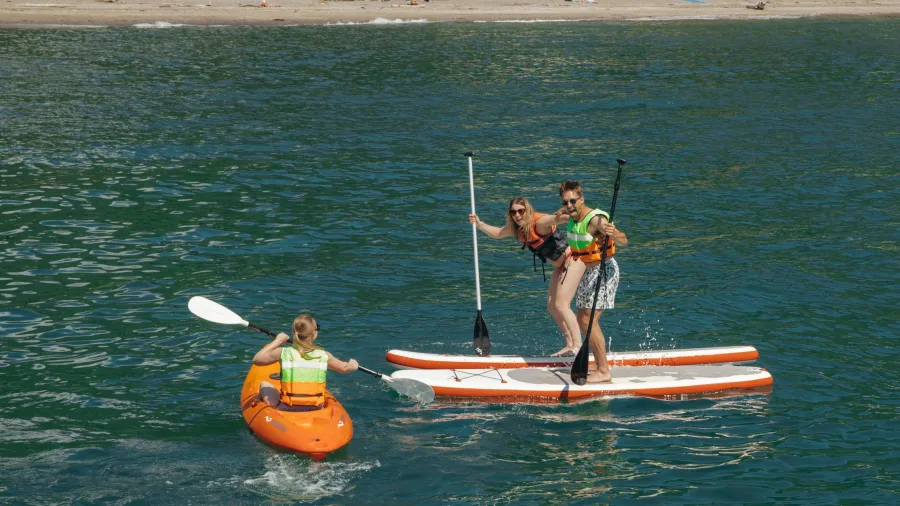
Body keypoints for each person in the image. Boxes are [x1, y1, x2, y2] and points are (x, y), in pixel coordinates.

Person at [469, 196, 586, 357]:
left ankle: (578, 346)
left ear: (527, 210)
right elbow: (497, 233)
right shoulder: (518, 229)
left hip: (572, 260)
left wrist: (572, 213)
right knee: (552, 306)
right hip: (560, 267)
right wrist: (479, 224)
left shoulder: (539, 223)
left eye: (521, 211)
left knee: (561, 304)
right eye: (513, 212)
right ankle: (569, 344)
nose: (517, 215)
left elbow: (559, 219)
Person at [554, 181, 627, 383]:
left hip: (605, 270)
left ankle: (604, 370)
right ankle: (599, 362)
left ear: (581, 200)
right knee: (581, 318)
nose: (569, 205)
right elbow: (560, 214)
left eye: (572, 201)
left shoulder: (596, 220)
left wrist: (614, 233)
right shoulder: (569, 214)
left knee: (588, 320)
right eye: (565, 201)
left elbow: (623, 240)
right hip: (588, 270)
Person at [252, 315, 358, 410]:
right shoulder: (324, 355)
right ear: (314, 333)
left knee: (264, 384)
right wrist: (353, 365)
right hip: (316, 407)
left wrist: (277, 341)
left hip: (287, 407)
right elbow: (345, 368)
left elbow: (257, 359)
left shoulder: (283, 352)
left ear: (294, 332)